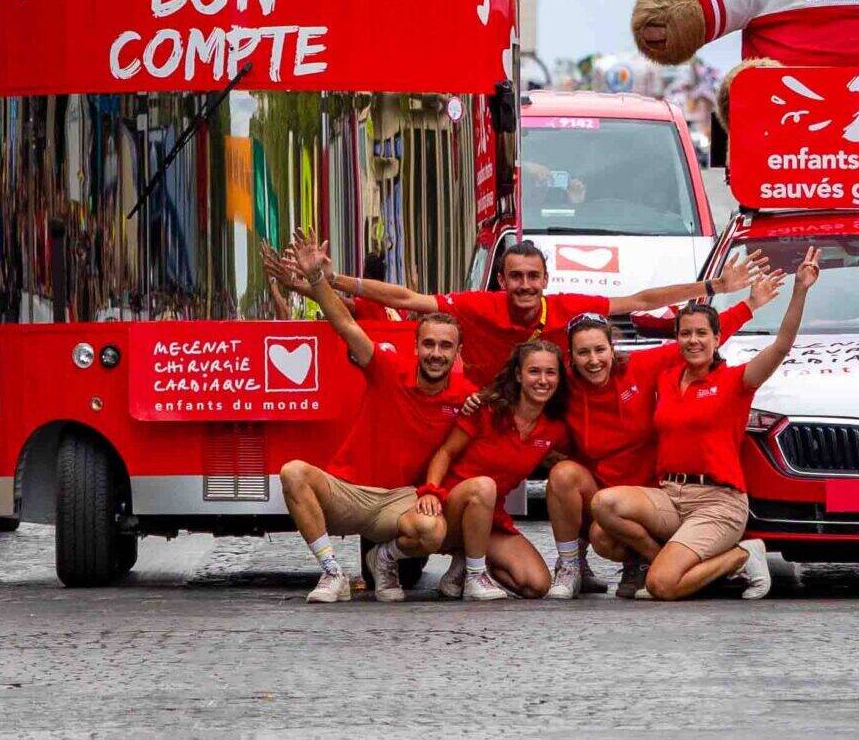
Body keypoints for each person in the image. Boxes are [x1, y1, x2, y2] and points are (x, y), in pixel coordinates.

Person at [592, 247, 821, 601]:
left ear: (717, 339)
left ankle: (742, 555)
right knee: (603, 511)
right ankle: (668, 563)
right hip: (670, 495)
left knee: (662, 586)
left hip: (718, 502)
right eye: (685, 334)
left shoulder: (735, 381)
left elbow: (781, 346)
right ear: (677, 338)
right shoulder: (667, 378)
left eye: (702, 334)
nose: (693, 340)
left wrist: (800, 292)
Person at [273, 235, 476, 603]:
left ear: (457, 352)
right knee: (293, 472)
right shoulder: (387, 368)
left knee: (431, 531)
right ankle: (332, 573)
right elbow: (346, 326)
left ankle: (382, 558)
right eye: (429, 344)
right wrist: (318, 280)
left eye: (445, 346)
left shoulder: (465, 396)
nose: (436, 354)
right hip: (347, 491)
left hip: (397, 501)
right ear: (415, 346)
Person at [550, 283, 774, 600]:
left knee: (623, 544)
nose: (593, 360)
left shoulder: (642, 367)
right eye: (583, 352)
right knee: (584, 508)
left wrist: (748, 305)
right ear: (570, 357)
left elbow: (697, 339)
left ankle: (655, 566)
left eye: (600, 350)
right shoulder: (563, 388)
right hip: (611, 497)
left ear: (612, 348)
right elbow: (523, 383)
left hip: (656, 492)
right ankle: (574, 566)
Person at [313, 239, 763, 384]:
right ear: (502, 281)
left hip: (551, 404)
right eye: (516, 277)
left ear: (545, 280)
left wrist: (715, 286)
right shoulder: (479, 305)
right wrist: (332, 280)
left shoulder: (568, 307)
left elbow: (641, 301)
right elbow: (409, 300)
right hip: (488, 406)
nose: (525, 286)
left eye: (533, 277)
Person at [420, 339, 571, 600]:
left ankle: (467, 561)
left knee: (536, 585)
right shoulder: (486, 408)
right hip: (452, 504)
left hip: (491, 516)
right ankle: (473, 574)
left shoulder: (555, 428)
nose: (542, 380)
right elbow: (445, 452)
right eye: (534, 371)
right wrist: (430, 491)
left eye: (550, 372)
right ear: (518, 374)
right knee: (484, 485)